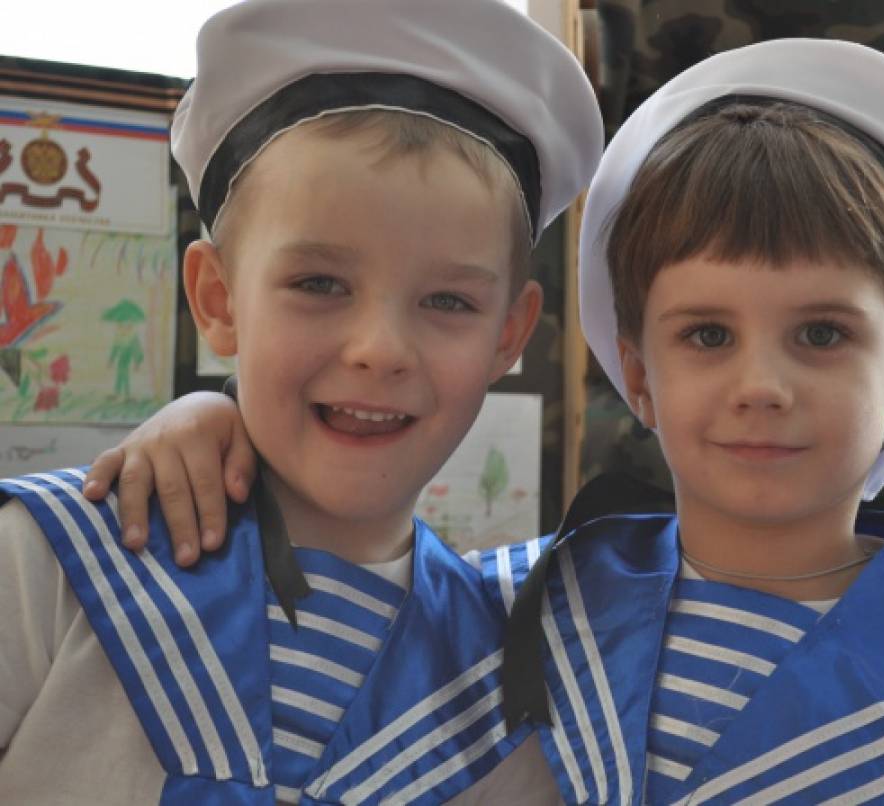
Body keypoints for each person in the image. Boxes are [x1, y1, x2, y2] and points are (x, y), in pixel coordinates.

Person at [75, 39, 884, 806]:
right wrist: (210, 418)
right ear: (636, 372)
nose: (760, 385)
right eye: (706, 334)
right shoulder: (525, 609)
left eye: (821, 334)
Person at [0, 0, 600, 803]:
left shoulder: (510, 688)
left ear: (509, 335)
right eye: (319, 284)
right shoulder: (51, 563)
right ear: (217, 299)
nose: (379, 349)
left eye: (448, 301)